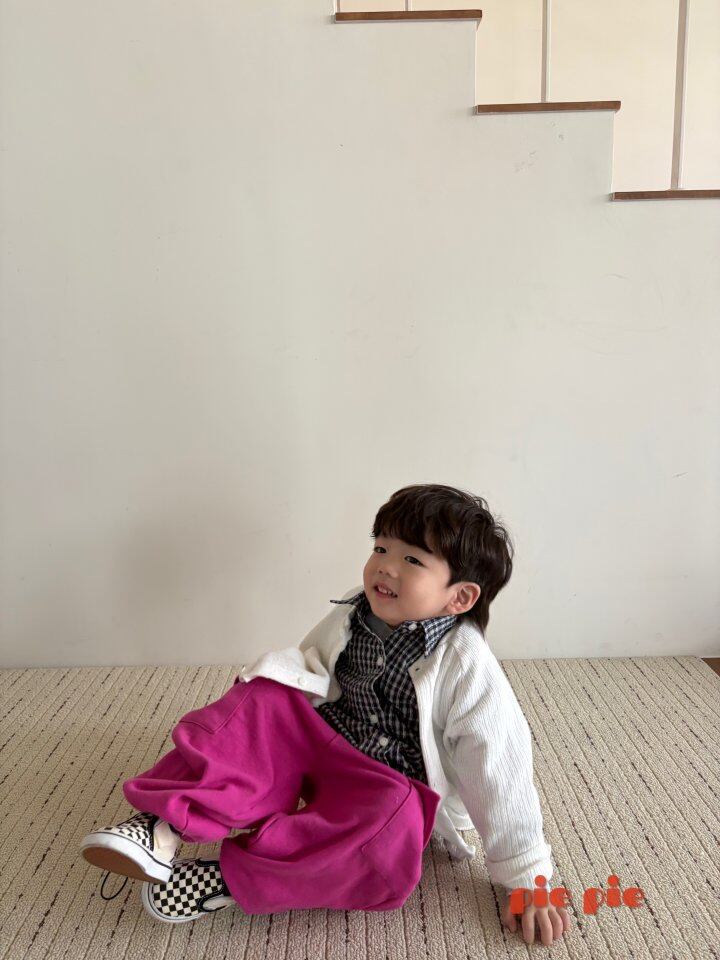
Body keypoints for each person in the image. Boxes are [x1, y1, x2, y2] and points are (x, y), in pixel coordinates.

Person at [80, 483, 571, 947]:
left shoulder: (465, 663)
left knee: (390, 835)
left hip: (383, 785)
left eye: (412, 560)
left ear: (459, 597)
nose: (385, 567)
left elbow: (498, 767)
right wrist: (267, 695)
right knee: (264, 697)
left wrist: (526, 874)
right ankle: (161, 826)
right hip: (321, 741)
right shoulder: (352, 613)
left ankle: (232, 877)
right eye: (381, 548)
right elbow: (309, 667)